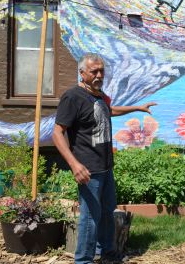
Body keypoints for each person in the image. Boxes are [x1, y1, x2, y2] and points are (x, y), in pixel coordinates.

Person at [52, 53, 156, 264]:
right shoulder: (72, 97)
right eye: (94, 71)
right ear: (82, 73)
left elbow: (110, 111)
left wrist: (137, 107)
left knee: (108, 213)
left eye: (102, 71)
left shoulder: (99, 96)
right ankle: (84, 260)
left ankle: (107, 254)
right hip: (88, 168)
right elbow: (57, 132)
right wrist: (74, 164)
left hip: (106, 167)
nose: (99, 75)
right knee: (90, 217)